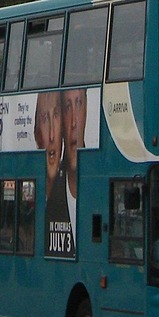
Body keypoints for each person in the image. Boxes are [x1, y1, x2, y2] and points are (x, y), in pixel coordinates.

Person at [34, 91, 73, 258]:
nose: (51, 136)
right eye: (44, 118)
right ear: (37, 134)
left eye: (56, 116)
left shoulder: (68, 199)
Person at [62, 87, 87, 238]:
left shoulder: (96, 181)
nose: (73, 122)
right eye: (67, 107)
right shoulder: (51, 191)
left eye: (79, 104)